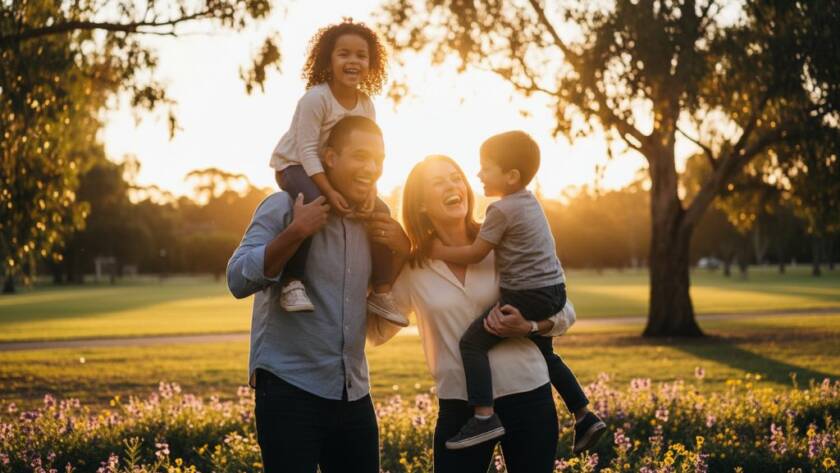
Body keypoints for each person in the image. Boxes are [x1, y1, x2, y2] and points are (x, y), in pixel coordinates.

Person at [365, 155, 578, 472]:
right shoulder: (414, 266)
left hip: (528, 395)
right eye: (438, 182)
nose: (453, 186)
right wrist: (394, 262)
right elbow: (377, 333)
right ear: (420, 204)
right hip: (460, 407)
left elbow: (565, 311)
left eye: (456, 177)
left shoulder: (506, 241)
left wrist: (530, 325)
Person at [227, 116, 406, 473]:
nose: (371, 168)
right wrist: (295, 232)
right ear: (329, 158)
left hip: (354, 393)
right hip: (289, 393)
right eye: (360, 156)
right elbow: (237, 279)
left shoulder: (375, 221)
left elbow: (382, 302)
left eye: (379, 159)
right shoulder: (282, 206)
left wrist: (403, 250)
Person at [428, 132, 606, 452]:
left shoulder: (500, 210)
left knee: (472, 343)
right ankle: (584, 414)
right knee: (546, 354)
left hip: (525, 295)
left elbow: (476, 253)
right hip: (553, 290)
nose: (478, 174)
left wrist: (438, 251)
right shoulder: (530, 201)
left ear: (511, 176)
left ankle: (483, 416)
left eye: (486, 168)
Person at [268, 19, 407, 327]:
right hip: (294, 166)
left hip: (329, 171)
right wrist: (329, 192)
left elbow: (368, 154)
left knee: (381, 211)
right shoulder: (315, 99)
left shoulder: (366, 105)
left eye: (361, 55)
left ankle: (381, 291)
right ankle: (292, 282)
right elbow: (307, 151)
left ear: (371, 64)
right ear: (328, 60)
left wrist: (370, 191)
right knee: (314, 204)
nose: (352, 61)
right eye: (343, 54)